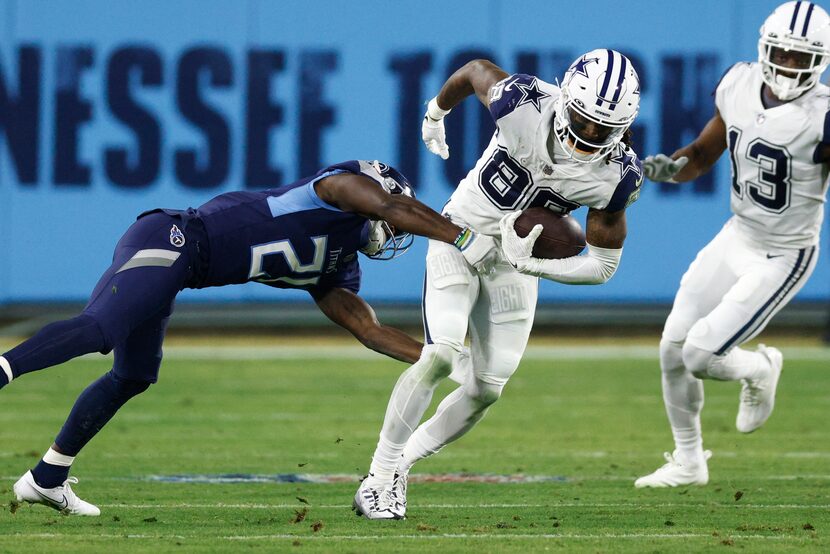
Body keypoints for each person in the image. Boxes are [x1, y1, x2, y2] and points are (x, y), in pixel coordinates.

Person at [1, 159, 501, 515]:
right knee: (100, 329)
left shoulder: (337, 264)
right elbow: (388, 208)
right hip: (172, 238)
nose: (392, 237)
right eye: (391, 219)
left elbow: (367, 330)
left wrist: (445, 359)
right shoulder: (338, 190)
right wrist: (461, 235)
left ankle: (46, 479)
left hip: (182, 271)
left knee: (133, 375)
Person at [354, 50, 644, 519]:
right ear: (566, 98)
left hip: (515, 264)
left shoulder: (617, 176)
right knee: (441, 354)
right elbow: (473, 71)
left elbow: (604, 265)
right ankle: (379, 475)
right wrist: (435, 113)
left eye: (602, 129)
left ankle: (400, 467)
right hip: (460, 235)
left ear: (624, 126)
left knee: (487, 388)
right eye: (584, 120)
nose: (589, 136)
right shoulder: (523, 102)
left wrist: (533, 266)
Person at [635, 1, 830, 488]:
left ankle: (761, 367)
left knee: (701, 353)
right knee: (672, 348)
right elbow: (704, 152)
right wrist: (675, 167)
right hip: (736, 235)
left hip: (784, 253)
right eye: (780, 53)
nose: (786, 65)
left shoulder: (823, 116)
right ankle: (688, 461)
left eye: (797, 57)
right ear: (764, 49)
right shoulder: (738, 83)